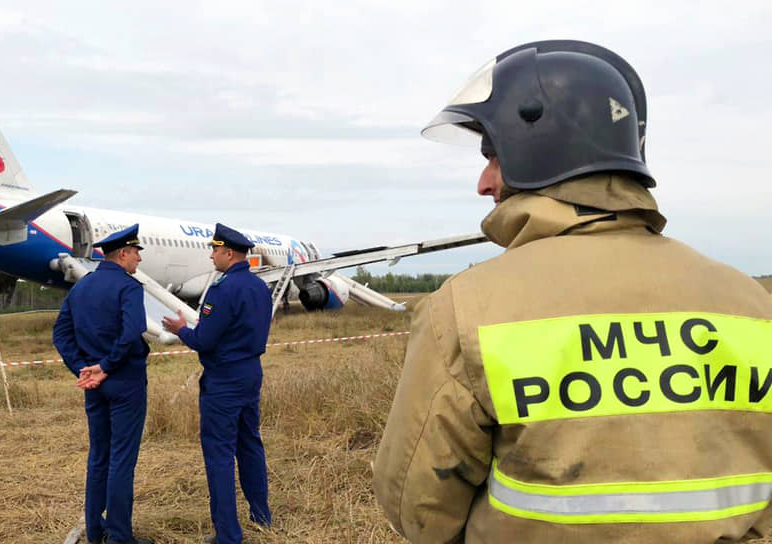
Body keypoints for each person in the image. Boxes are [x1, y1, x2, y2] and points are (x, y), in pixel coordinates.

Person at [372, 40, 772, 543]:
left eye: (492, 155)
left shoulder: (467, 308)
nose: (483, 181)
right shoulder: (754, 305)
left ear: (541, 149)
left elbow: (419, 511)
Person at [162, 223, 273, 544]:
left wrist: (182, 329)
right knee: (250, 442)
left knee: (219, 454)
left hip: (223, 379)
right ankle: (261, 515)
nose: (211, 256)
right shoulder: (258, 287)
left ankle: (227, 534)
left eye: (215, 251)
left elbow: (205, 340)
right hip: (250, 372)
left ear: (228, 253)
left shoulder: (222, 290)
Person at [53, 224, 153, 544]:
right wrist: (106, 367)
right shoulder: (129, 287)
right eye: (136, 253)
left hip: (94, 386)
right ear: (122, 254)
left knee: (99, 457)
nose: (138, 259)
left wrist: (82, 369)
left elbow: (61, 335)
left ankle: (95, 531)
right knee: (122, 459)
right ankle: (120, 536)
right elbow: (132, 331)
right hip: (124, 381)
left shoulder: (80, 288)